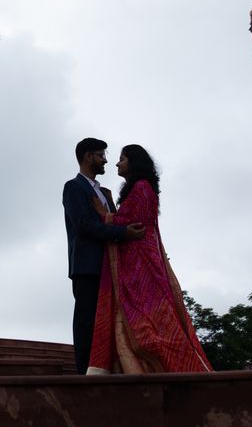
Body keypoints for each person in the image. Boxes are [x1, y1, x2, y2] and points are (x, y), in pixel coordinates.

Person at [86, 144, 212, 374]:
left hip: (140, 264)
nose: (116, 163)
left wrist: (103, 214)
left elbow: (131, 223)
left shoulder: (142, 188)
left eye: (122, 159)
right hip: (139, 261)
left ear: (134, 162)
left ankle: (163, 368)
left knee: (147, 324)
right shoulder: (140, 189)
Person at [63, 137, 145, 375]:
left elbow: (114, 221)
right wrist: (123, 233)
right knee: (87, 321)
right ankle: (84, 375)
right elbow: (83, 225)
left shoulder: (105, 194)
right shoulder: (73, 187)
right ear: (88, 156)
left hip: (111, 267)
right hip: (87, 267)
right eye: (101, 155)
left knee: (109, 323)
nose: (106, 161)